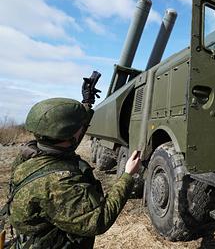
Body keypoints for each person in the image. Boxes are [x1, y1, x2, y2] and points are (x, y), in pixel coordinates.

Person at [4, 75, 141, 248]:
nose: (82, 129)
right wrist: (128, 176)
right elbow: (98, 219)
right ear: (68, 135)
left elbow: (71, 135)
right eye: (79, 127)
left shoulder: (32, 154)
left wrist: (87, 103)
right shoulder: (58, 184)